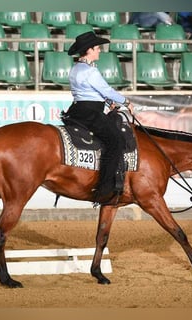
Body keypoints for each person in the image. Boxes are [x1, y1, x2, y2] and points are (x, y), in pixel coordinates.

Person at [64, 31, 134, 202]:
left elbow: (91, 91)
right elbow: (106, 90)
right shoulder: (90, 71)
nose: (99, 51)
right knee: (115, 140)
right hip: (91, 113)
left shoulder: (76, 68)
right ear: (89, 50)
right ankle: (106, 187)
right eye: (97, 48)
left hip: (77, 110)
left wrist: (108, 101)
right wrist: (126, 102)